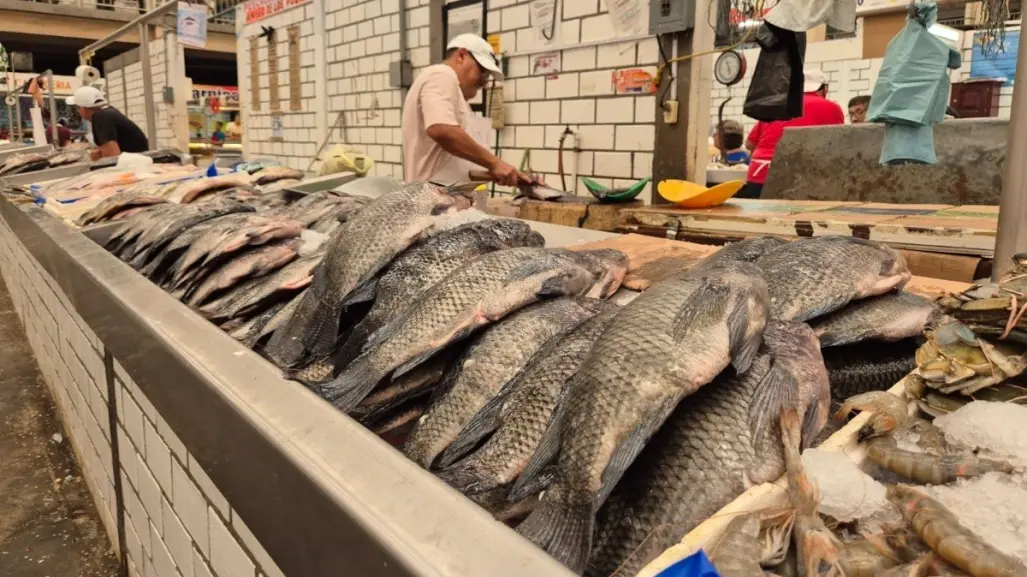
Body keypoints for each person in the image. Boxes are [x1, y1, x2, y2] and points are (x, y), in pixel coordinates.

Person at [402, 33, 527, 186]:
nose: (484, 82)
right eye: (482, 71)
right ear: (461, 55)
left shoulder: (456, 93)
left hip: (446, 200)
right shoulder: (441, 75)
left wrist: (507, 173)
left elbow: (458, 168)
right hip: (432, 203)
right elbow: (441, 129)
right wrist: (494, 163)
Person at [740, 69, 844, 199]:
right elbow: (838, 145)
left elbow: (750, 144)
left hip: (759, 173)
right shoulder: (831, 108)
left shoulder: (777, 104)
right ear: (824, 89)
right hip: (799, 178)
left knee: (759, 217)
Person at [66, 86, 149, 160]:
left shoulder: (100, 117)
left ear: (83, 109)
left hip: (136, 166)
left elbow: (112, 158)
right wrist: (100, 153)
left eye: (77, 109)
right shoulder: (108, 113)